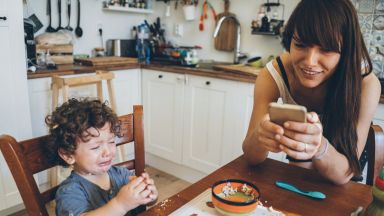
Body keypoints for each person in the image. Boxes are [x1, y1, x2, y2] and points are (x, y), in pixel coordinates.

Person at [242, 0, 381, 185]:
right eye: (300, 44)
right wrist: (261, 136)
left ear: (346, 50)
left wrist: (319, 147)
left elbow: (343, 174)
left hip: (344, 171)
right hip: (300, 165)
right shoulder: (274, 74)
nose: (310, 61)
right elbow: (251, 157)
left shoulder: (365, 83)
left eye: (327, 49)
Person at [45, 98, 158, 215]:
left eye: (111, 142)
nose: (107, 152)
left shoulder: (121, 174)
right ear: (68, 155)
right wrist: (120, 205)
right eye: (95, 147)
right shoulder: (70, 192)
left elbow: (146, 200)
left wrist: (149, 194)